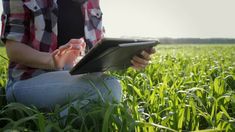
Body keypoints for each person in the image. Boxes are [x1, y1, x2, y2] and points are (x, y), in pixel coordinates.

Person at [1, 0, 155, 111]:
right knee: (110, 88)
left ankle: (60, 116)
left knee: (108, 91)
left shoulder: (92, 3)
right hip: (28, 80)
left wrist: (126, 57)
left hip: (73, 79)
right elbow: (13, 49)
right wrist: (51, 60)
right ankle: (57, 122)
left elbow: (97, 50)